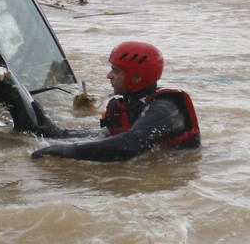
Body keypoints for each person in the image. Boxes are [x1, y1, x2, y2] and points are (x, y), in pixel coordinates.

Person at [30, 40, 200, 161]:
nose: (108, 76)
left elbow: (129, 146)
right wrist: (58, 133)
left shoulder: (164, 108)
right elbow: (107, 136)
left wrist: (67, 151)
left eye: (116, 71)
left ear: (136, 78)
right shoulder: (132, 103)